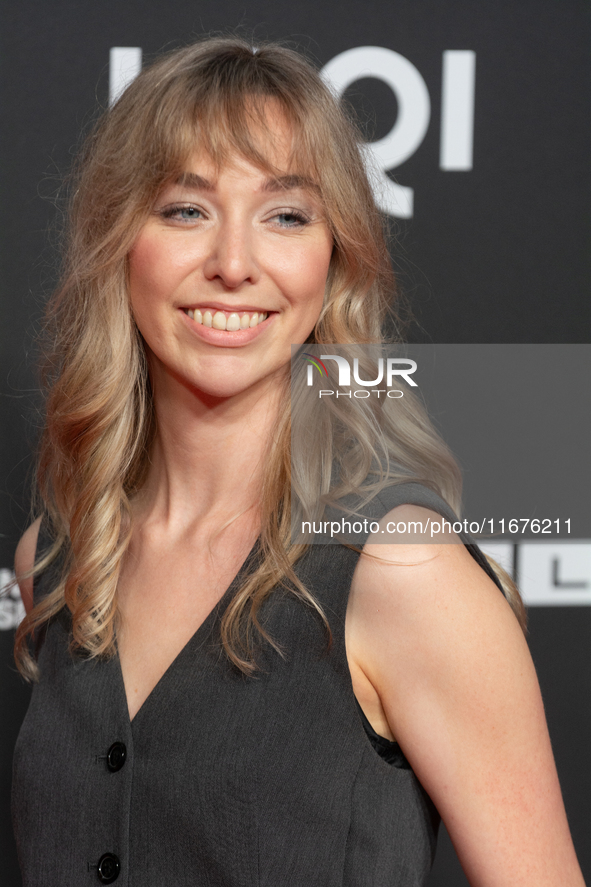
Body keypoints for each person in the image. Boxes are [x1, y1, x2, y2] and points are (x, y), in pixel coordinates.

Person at [11, 37, 584, 887]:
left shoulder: (402, 571)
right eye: (184, 209)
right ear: (117, 241)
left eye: (285, 215)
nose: (233, 264)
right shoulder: (57, 562)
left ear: (333, 258)